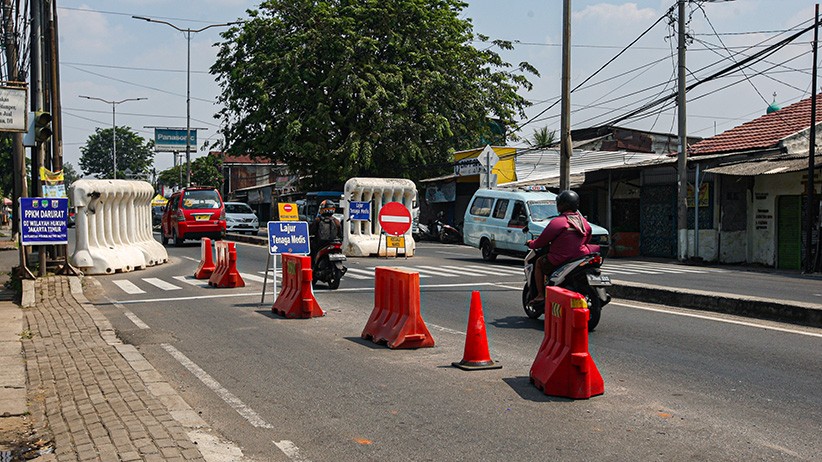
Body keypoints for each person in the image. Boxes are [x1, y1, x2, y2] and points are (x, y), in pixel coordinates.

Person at [526, 190, 598, 305]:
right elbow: (587, 239)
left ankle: (540, 295)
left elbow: (541, 242)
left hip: (560, 258)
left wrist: (531, 243)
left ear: (562, 204)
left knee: (539, 262)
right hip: (579, 257)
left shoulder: (558, 222)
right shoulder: (584, 222)